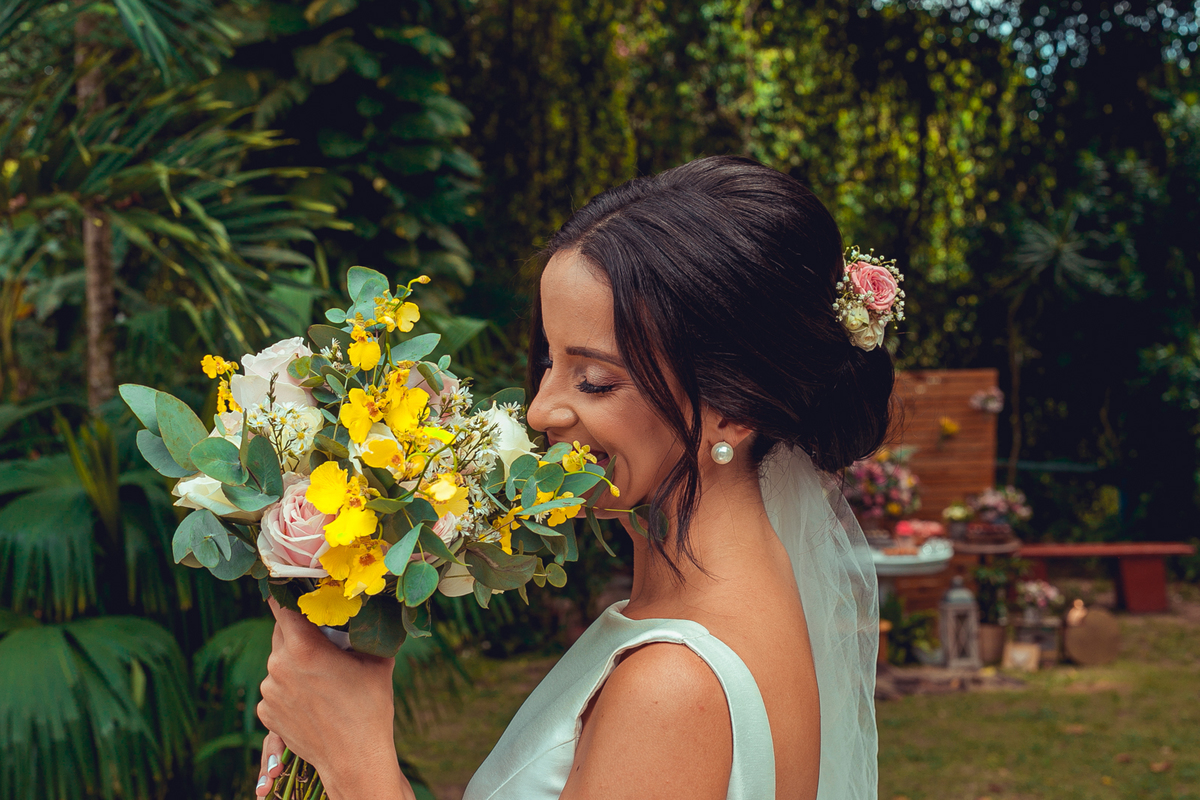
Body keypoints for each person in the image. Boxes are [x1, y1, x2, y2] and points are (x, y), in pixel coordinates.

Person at [254, 155, 891, 800]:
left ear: (733, 411)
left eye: (595, 381)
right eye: (547, 361)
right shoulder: (727, 611)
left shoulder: (673, 685)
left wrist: (355, 757)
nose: (539, 410)